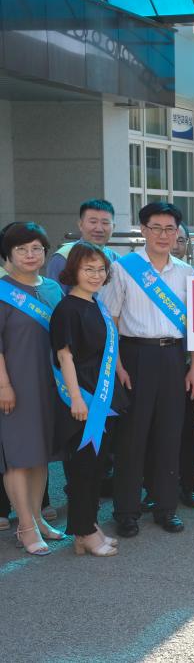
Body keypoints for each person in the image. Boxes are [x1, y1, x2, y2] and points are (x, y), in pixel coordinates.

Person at [100, 203, 194, 537]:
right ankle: (126, 511)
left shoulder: (187, 272)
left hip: (174, 357)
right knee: (132, 437)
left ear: (178, 233)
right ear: (143, 230)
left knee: (170, 434)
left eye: (170, 229)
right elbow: (111, 320)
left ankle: (165, 507)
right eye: (156, 227)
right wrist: (117, 366)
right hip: (135, 356)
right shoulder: (123, 268)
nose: (163, 235)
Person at [51, 243, 127, 556]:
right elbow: (64, 356)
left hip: (102, 394)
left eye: (100, 269)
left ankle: (89, 527)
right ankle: (83, 531)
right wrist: (76, 399)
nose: (96, 275)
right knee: (82, 470)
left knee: (95, 468)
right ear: (74, 271)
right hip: (82, 397)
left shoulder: (96, 304)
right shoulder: (67, 308)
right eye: (88, 269)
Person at [0, 222, 64, 555]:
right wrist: (4, 385)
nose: (30, 254)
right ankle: (25, 526)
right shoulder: (2, 290)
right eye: (21, 249)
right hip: (14, 385)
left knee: (40, 455)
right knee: (18, 458)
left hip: (49, 383)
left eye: (36, 248)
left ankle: (38, 518)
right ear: (8, 254)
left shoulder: (53, 288)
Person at [172, 221, 194, 508]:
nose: (174, 243)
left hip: (187, 362)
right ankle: (155, 489)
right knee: (154, 428)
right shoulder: (137, 274)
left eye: (181, 240)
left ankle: (188, 484)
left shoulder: (193, 276)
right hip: (155, 359)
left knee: (189, 427)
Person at [47, 199, 120, 293]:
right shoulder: (64, 257)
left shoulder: (116, 260)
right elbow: (55, 298)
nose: (99, 229)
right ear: (80, 225)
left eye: (105, 223)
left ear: (113, 227)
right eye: (93, 222)